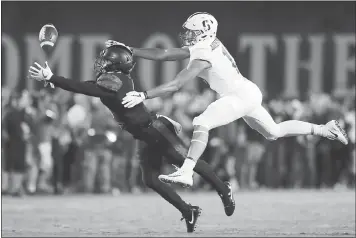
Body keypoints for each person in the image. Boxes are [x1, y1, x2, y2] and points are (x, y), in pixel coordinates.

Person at [115, 12, 349, 188]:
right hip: (247, 92)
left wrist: (144, 94)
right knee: (273, 132)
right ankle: (324, 130)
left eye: (192, 31)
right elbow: (164, 54)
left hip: (239, 95)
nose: (188, 35)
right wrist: (130, 49)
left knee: (201, 121)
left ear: (203, 32)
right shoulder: (205, 45)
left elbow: (176, 84)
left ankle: (187, 171)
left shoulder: (203, 53)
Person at [28, 44, 235, 233]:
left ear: (117, 64)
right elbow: (91, 85)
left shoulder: (116, 80)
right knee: (150, 180)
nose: (102, 63)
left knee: (189, 164)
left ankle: (223, 188)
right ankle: (188, 211)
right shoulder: (114, 80)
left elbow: (87, 88)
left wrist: (52, 77)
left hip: (155, 131)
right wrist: (55, 81)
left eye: (107, 60)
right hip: (144, 135)